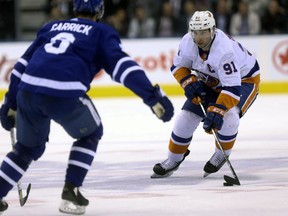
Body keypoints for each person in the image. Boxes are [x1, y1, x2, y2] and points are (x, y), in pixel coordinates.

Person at [0, 0, 174, 215]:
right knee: (91, 133)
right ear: (100, 10)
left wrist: (10, 102)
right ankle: (71, 190)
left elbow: (20, 67)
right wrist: (152, 96)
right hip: (64, 93)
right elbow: (122, 67)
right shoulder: (101, 32)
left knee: (25, 149)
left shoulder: (50, 27)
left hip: (28, 91)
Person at [151, 11, 260, 179]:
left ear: (212, 30)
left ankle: (220, 154)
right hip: (211, 81)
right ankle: (173, 159)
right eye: (195, 32)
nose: (199, 37)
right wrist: (187, 81)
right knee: (185, 118)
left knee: (230, 116)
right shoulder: (188, 41)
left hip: (244, 81)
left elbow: (232, 88)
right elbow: (178, 66)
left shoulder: (224, 51)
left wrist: (218, 110)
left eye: (203, 32)